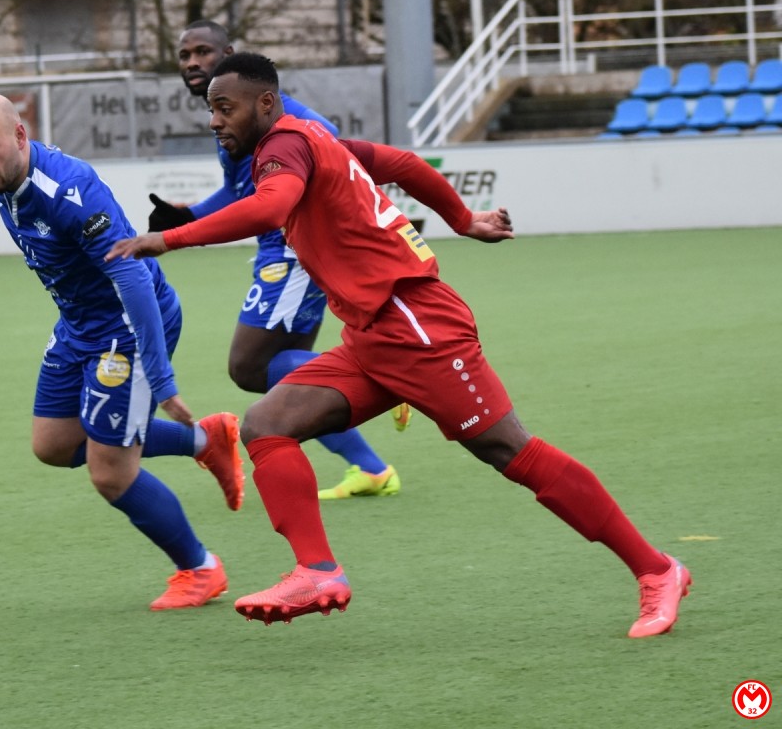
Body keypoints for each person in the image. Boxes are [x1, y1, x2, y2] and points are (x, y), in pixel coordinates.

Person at [107, 54, 690, 637]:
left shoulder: (285, 147)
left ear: (265, 102)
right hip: (373, 335)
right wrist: (463, 219)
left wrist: (168, 238)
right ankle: (317, 571)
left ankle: (657, 569)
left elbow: (273, 206)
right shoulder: (312, 136)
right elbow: (404, 163)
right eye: (211, 109)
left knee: (509, 452)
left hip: (418, 326)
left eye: (224, 107)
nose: (214, 121)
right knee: (267, 424)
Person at [0, 93, 246, 611]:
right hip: (79, 324)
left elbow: (132, 277)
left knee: (110, 471)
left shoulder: (70, 192)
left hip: (127, 326)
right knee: (55, 444)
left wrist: (161, 379)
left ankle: (200, 568)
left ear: (21, 137)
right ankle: (205, 440)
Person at [149, 19, 405, 501]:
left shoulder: (282, 116)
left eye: (203, 52)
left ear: (228, 52)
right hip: (283, 250)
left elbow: (329, 146)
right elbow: (238, 191)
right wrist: (186, 215)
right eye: (184, 56)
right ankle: (370, 466)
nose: (192, 63)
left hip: (292, 253)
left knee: (248, 367)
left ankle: (383, 371)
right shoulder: (228, 114)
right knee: (287, 370)